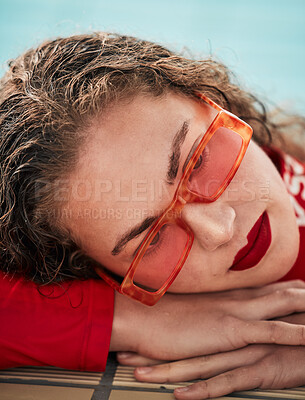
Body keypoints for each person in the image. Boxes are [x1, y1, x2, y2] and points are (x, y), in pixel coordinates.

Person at [0, 32, 305, 399]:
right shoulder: (131, 294)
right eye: (153, 239)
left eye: (196, 164)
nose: (218, 231)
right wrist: (129, 319)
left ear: (210, 97)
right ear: (105, 275)